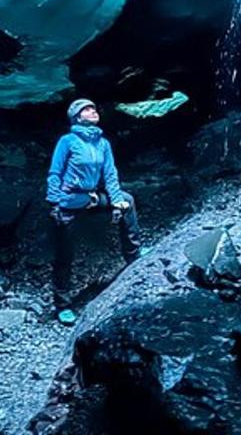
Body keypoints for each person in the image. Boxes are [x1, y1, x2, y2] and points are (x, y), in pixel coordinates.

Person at [46, 98, 142, 322]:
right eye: (87, 109)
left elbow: (110, 174)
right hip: (69, 199)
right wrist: (54, 202)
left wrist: (116, 199)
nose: (93, 111)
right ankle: (62, 305)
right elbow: (54, 173)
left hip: (91, 196)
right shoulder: (67, 141)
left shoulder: (103, 143)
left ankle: (133, 254)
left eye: (94, 108)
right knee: (64, 254)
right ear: (77, 117)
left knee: (128, 200)